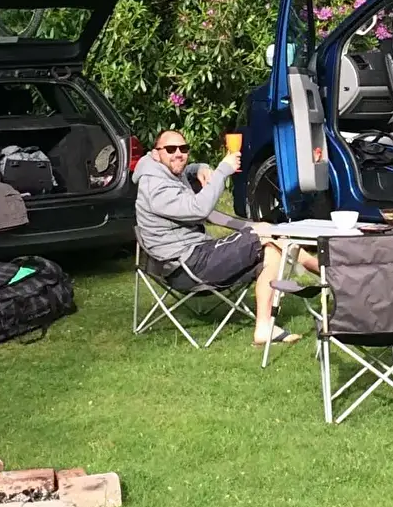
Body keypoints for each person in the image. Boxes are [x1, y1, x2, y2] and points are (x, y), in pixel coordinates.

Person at [133, 129, 316, 347]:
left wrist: (201, 168)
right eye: (171, 149)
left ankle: (264, 328)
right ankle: (323, 271)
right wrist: (222, 170)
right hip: (187, 268)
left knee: (271, 249)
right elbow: (199, 209)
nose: (178, 154)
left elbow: (193, 181)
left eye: (184, 148)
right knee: (266, 234)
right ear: (156, 154)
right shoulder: (156, 187)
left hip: (193, 258)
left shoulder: (166, 172)